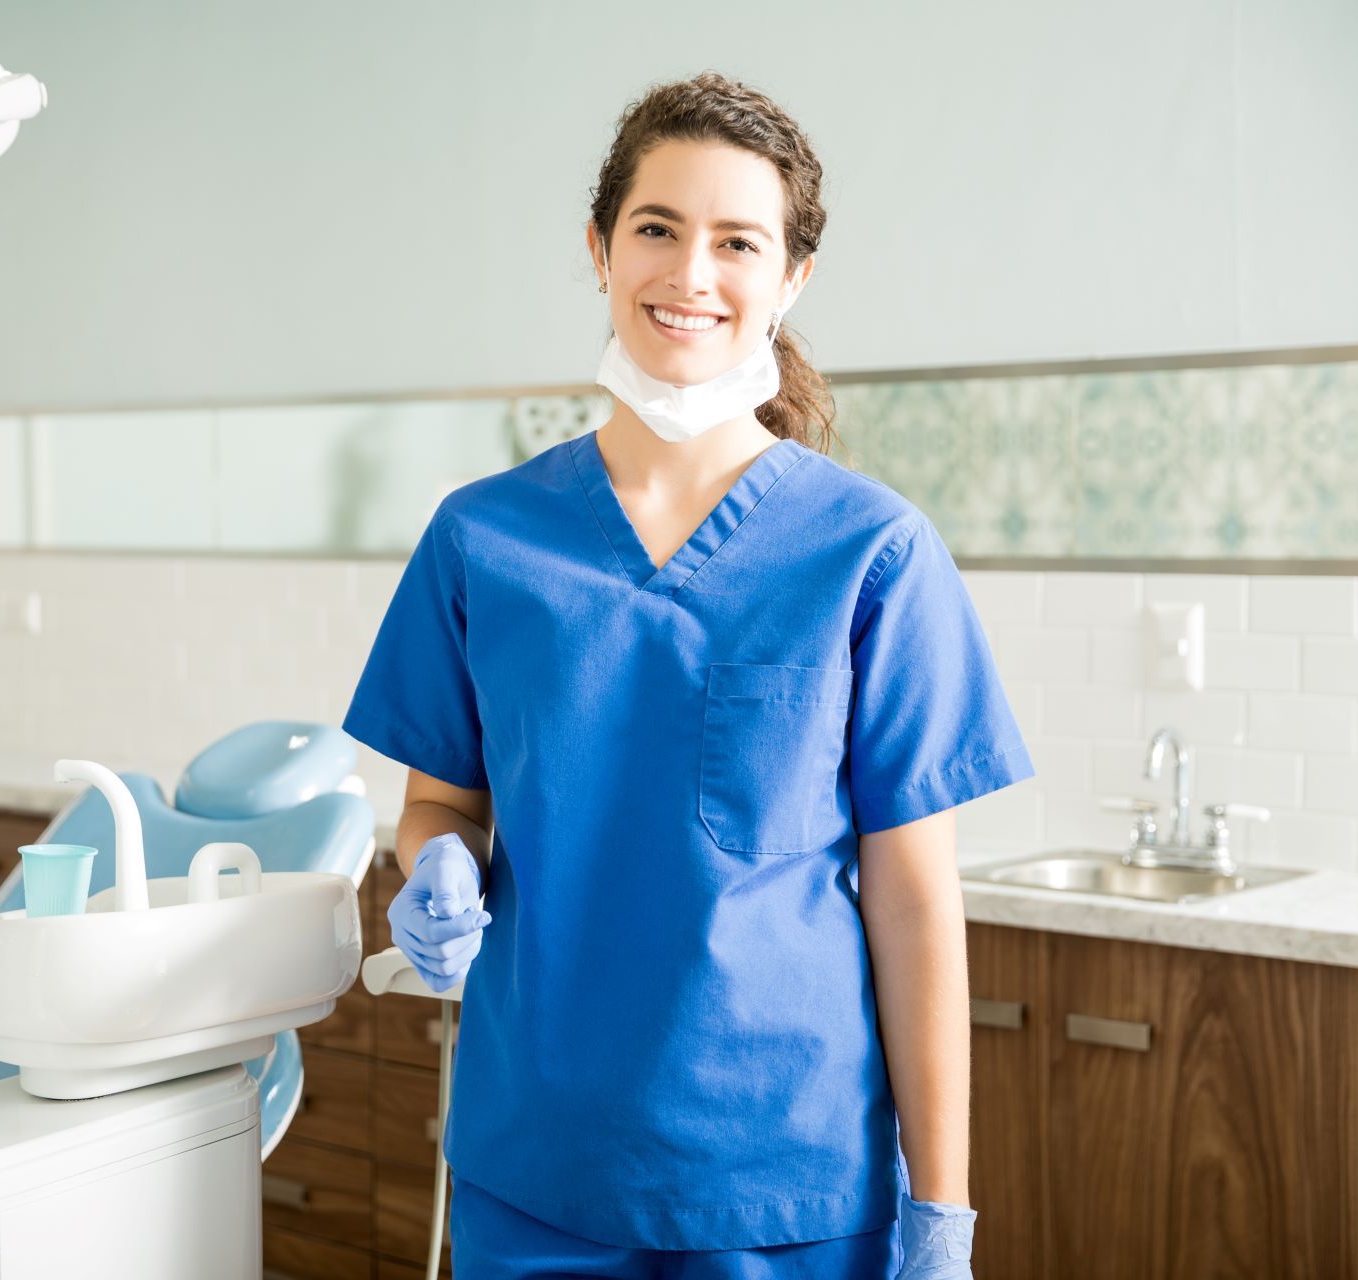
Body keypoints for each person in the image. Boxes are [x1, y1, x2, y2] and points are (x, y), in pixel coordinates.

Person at [343, 71, 1033, 1280]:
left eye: (737, 241)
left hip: (785, 1184)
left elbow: (918, 904)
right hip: (537, 1170)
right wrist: (433, 858)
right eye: (658, 228)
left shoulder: (869, 551)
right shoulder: (483, 538)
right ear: (602, 247)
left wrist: (943, 1212)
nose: (691, 273)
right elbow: (441, 798)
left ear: (792, 277)